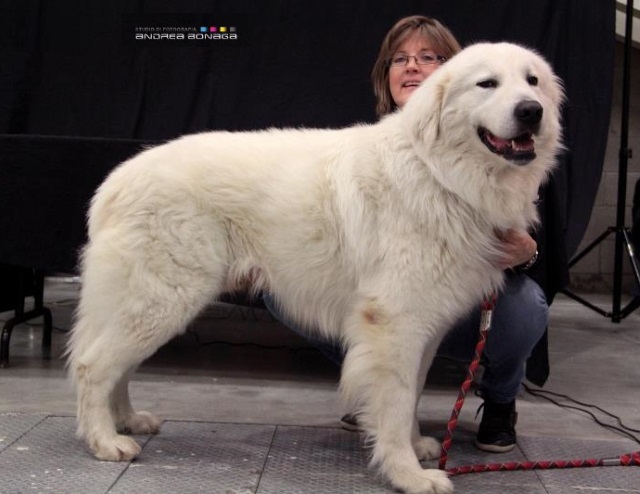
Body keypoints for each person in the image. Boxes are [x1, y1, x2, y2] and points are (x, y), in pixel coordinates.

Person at [264, 15, 548, 454]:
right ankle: (381, 408)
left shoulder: (507, 153)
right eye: (400, 59)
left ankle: (498, 404)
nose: (412, 66)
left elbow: (525, 255)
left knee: (526, 305)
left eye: (428, 57)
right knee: (324, 298)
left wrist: (526, 251)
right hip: (397, 302)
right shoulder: (368, 148)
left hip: (474, 312)